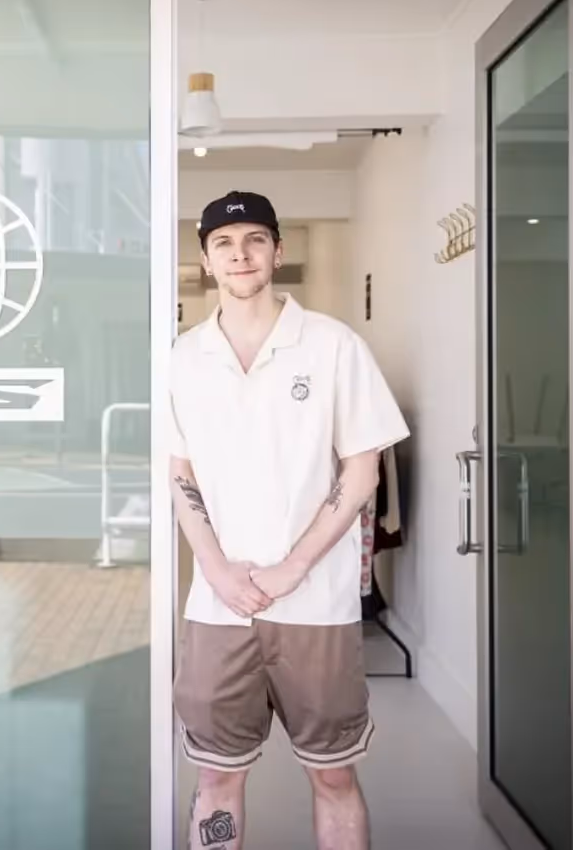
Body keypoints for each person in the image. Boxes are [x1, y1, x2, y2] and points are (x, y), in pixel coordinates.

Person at [169, 191, 409, 850]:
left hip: (317, 607)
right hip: (218, 609)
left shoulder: (333, 345)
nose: (240, 254)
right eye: (224, 243)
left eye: (253, 240)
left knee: (332, 778)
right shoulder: (182, 359)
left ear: (278, 249)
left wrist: (292, 566)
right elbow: (179, 474)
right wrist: (216, 567)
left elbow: (363, 473)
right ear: (205, 261)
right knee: (216, 779)